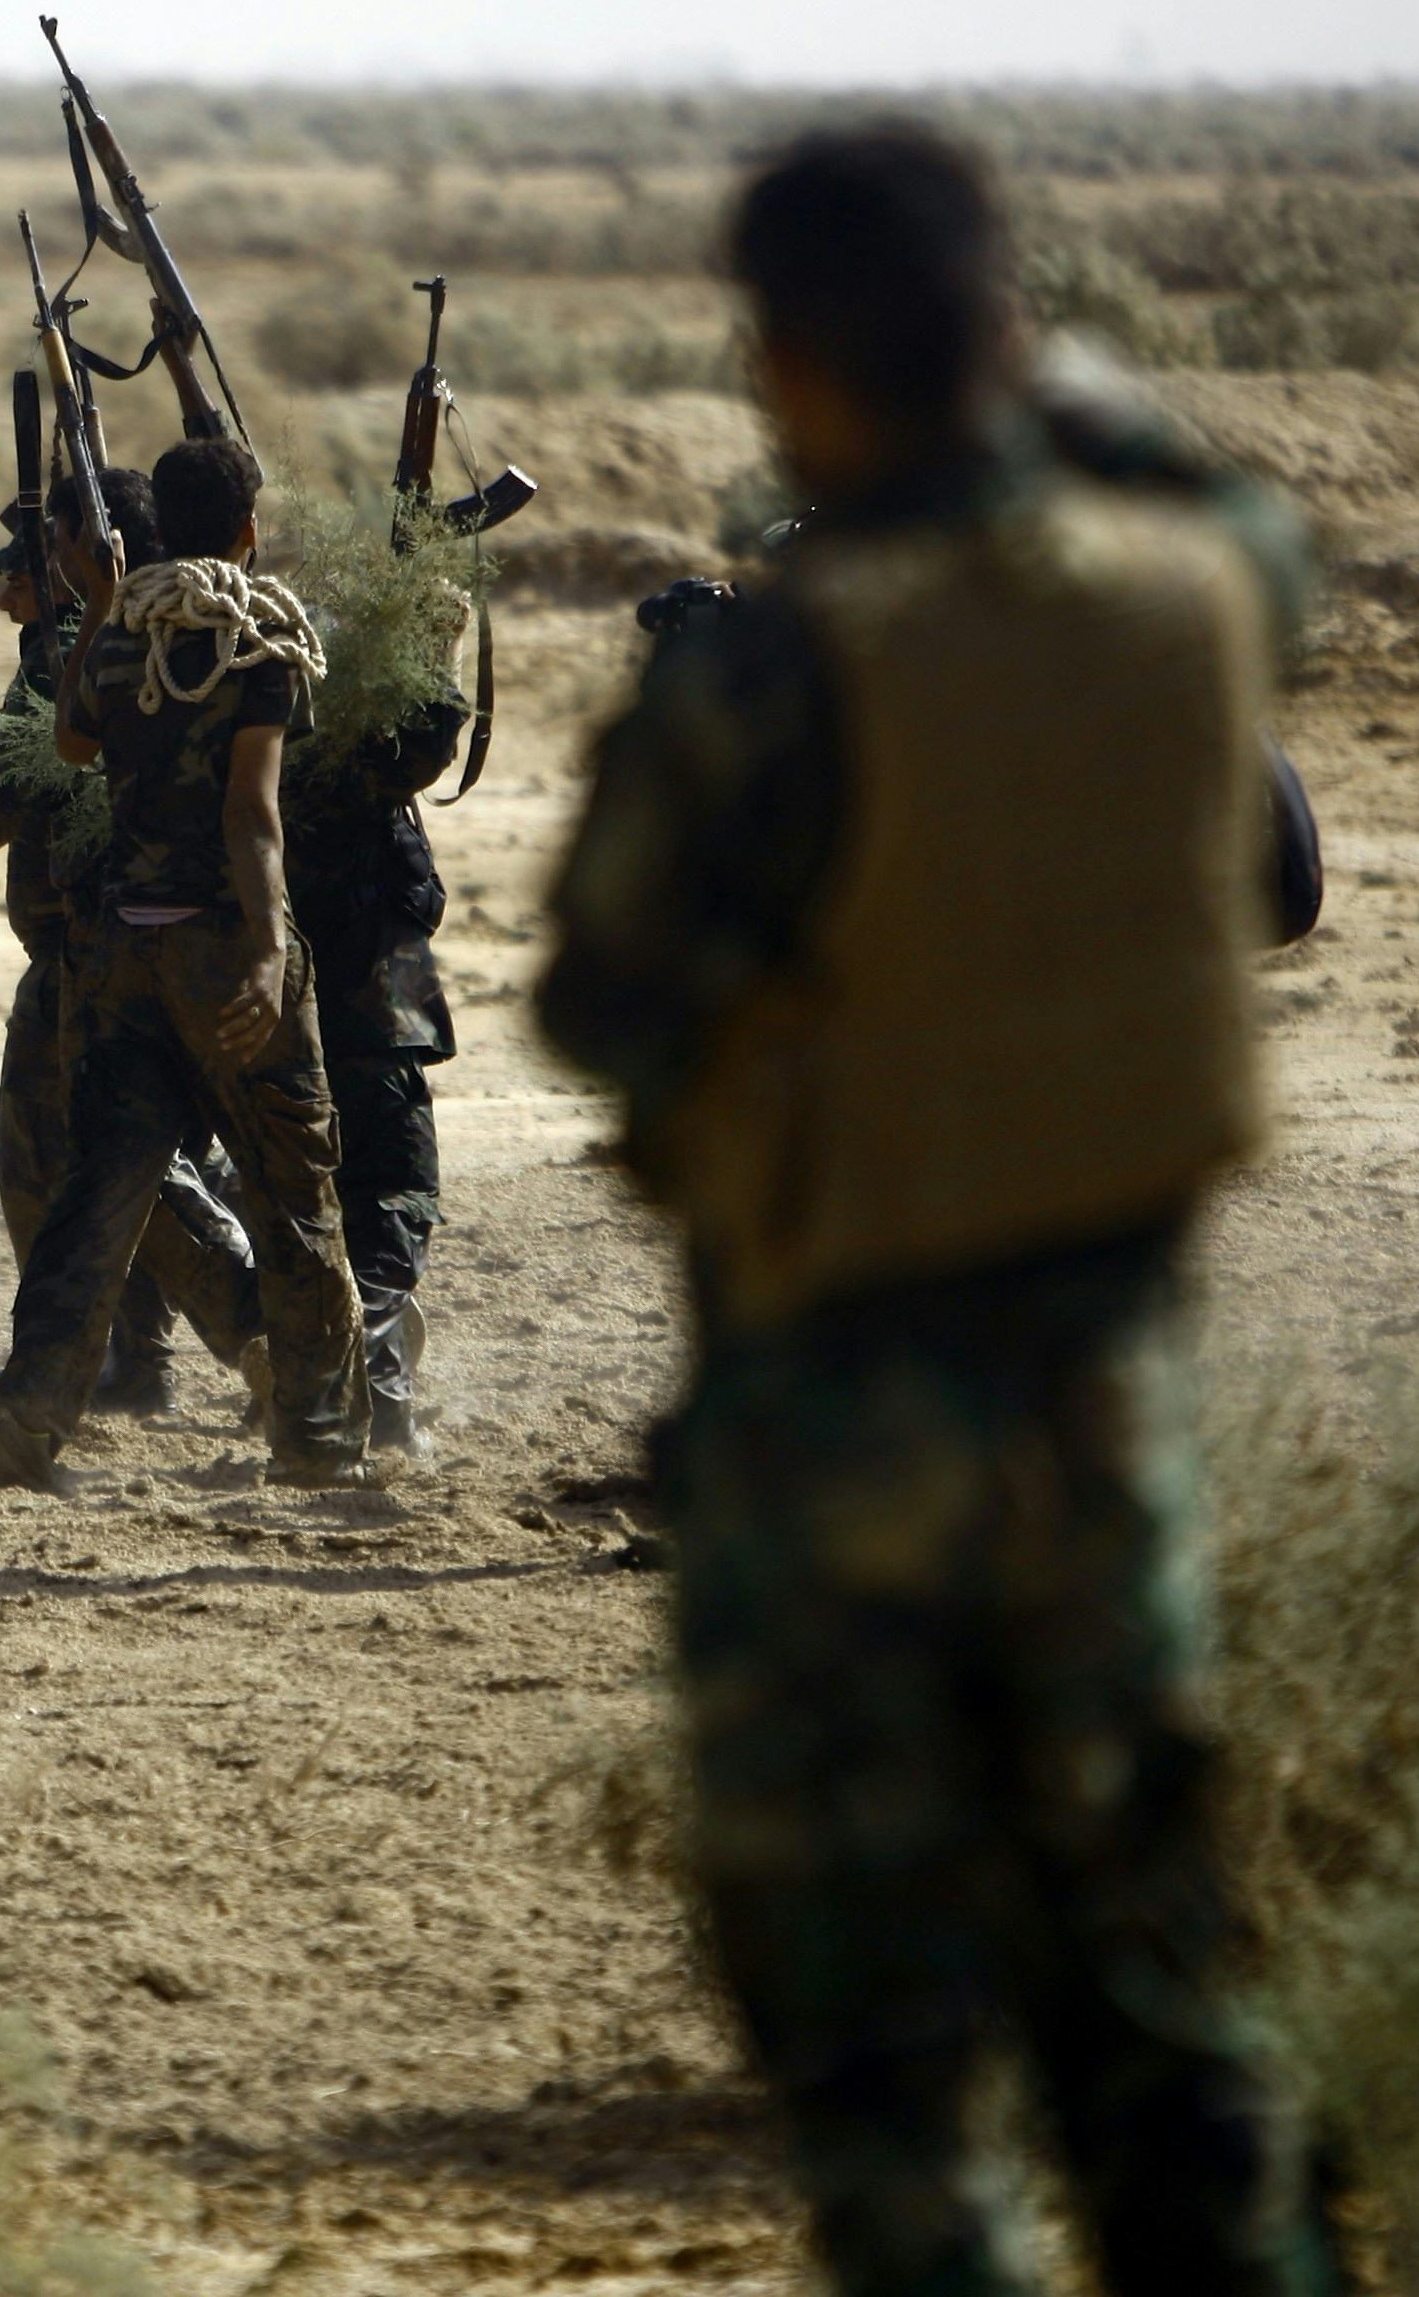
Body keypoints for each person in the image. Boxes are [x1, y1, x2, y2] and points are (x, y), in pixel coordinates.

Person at [539, 123, 1336, 2295]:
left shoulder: (781, 668)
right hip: (1110, 1431)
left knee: (878, 2051)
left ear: (785, 363)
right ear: (1003, 332)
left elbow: (601, 998)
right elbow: (1243, 530)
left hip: (835, 1440)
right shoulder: (1199, 602)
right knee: (1156, 2016)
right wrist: (1039, 385)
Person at [0, 438, 370, 1492]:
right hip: (221, 953)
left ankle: (25, 1418)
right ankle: (319, 1437)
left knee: (98, 1195)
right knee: (293, 1192)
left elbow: (70, 744)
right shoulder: (260, 647)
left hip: (120, 958)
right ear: (247, 530)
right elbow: (252, 815)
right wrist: (271, 950)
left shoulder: (115, 646)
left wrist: (106, 603)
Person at [0, 466, 265, 1410]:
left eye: (33, 562)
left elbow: (21, 774)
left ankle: (250, 1328)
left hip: (91, 952)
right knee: (134, 1150)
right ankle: (149, 1357)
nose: (10, 588)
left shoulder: (80, 654)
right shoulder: (169, 635)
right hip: (155, 940)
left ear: (84, 555)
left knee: (80, 1157)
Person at [283, 686, 466, 1459]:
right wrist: (431, 643)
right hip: (375, 1032)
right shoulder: (348, 770)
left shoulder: (263, 753)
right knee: (393, 1208)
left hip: (304, 1031)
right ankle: (382, 1408)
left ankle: (330, 1390)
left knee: (328, 1215)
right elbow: (437, 725)